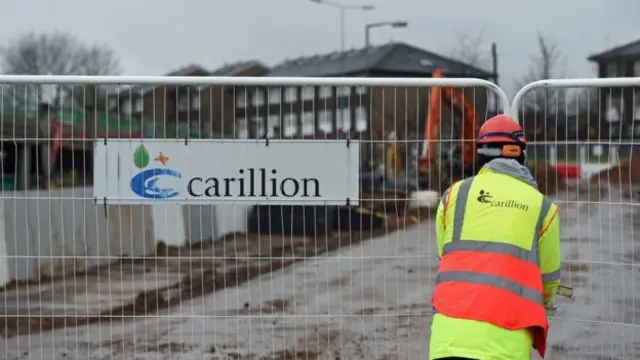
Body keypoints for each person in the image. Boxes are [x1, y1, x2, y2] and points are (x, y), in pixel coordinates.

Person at [428, 114, 562, 360]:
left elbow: (446, 255)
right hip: (507, 344)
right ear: (520, 153)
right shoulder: (543, 208)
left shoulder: (453, 196)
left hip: (446, 341)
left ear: (480, 153)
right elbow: (549, 281)